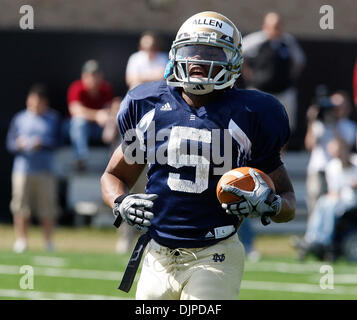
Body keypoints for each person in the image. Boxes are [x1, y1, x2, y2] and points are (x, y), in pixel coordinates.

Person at [101, 11, 295, 300]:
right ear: (177, 54)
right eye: (192, 51)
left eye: (211, 53)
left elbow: (288, 200)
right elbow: (114, 175)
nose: (199, 62)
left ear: (234, 60)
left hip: (214, 253)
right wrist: (121, 202)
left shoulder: (253, 113)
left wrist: (270, 204)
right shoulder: (147, 105)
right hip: (156, 255)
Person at [115, 31, 168, 253]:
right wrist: (152, 78)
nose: (150, 48)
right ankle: (125, 237)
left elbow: (163, 80)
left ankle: (155, 236)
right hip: (138, 129)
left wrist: (145, 79)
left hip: (160, 130)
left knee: (156, 186)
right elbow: (133, 82)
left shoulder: (164, 59)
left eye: (153, 44)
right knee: (128, 185)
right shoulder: (135, 59)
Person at [6, 84, 61, 253]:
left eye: (38, 102)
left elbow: (58, 142)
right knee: (20, 206)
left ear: (44, 102)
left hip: (46, 170)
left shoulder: (53, 118)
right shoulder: (19, 118)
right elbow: (10, 143)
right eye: (32, 101)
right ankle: (21, 240)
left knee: (47, 208)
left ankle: (48, 241)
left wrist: (42, 144)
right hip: (23, 170)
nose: (35, 105)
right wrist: (19, 144)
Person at [242, 12, 306, 133]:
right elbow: (239, 54)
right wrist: (246, 72)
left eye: (278, 26)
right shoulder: (255, 40)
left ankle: (280, 152)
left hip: (284, 91)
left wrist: (290, 76)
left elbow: (299, 61)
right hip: (259, 90)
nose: (276, 29)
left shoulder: (288, 41)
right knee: (255, 124)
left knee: (284, 126)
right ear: (265, 26)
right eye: (273, 26)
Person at [295, 138, 357, 261]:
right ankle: (312, 238)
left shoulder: (355, 161)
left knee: (330, 205)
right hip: (338, 200)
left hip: (352, 201)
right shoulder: (333, 166)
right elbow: (333, 191)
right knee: (324, 203)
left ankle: (325, 240)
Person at [305, 88, 356, 216]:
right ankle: (313, 234)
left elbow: (342, 149)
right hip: (319, 169)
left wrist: (334, 125)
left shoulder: (349, 126)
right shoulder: (319, 125)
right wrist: (312, 120)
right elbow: (309, 145)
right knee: (315, 204)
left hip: (338, 171)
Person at [67, 60, 114, 171]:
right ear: (83, 76)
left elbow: (108, 110)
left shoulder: (106, 88)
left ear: (101, 76)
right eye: (90, 75)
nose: (93, 78)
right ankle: (81, 159)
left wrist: (107, 117)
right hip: (75, 129)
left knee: (114, 124)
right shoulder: (76, 87)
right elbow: (75, 111)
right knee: (79, 122)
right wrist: (97, 115)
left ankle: (115, 160)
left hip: (98, 129)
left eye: (96, 75)